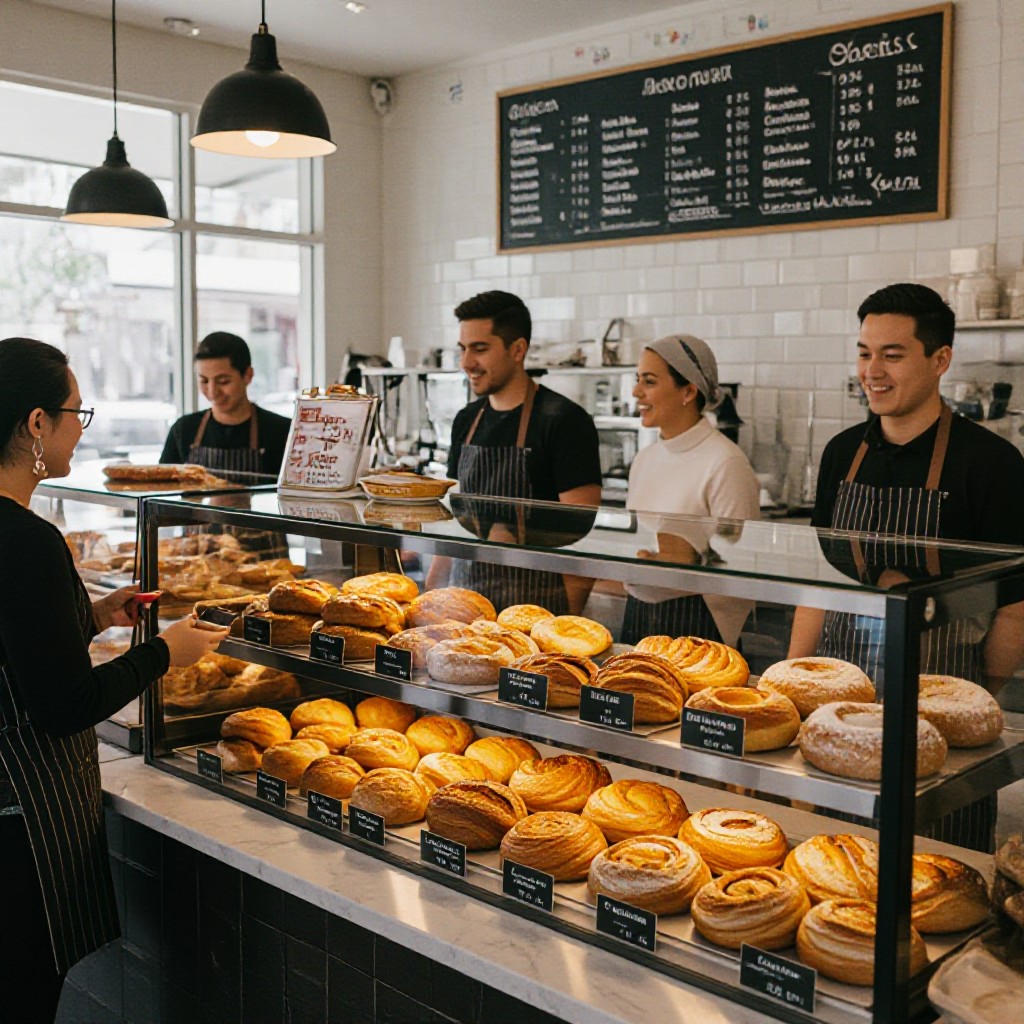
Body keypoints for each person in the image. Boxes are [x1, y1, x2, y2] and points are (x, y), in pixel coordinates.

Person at [0, 337, 231, 1022]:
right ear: (37, 423)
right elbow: (66, 705)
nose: (80, 427)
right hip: (22, 828)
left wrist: (94, 613)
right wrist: (166, 652)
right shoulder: (27, 539)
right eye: (77, 412)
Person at [788, 283, 1024, 851]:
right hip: (836, 706)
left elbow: (1014, 609)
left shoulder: (991, 463)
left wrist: (977, 704)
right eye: (865, 352)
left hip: (944, 710)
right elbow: (821, 581)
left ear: (940, 359)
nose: (874, 370)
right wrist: (792, 687)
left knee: (934, 862)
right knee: (831, 857)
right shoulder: (843, 454)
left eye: (892, 355)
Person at [430, 291, 602, 612]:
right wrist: (432, 589)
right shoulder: (466, 420)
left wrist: (564, 621)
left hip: (537, 609)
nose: (467, 363)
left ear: (518, 349)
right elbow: (453, 520)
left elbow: (584, 541)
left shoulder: (565, 421)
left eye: (480, 349)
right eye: (463, 349)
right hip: (466, 602)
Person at [623, 335, 760, 646]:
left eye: (649, 381)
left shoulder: (726, 462)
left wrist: (676, 566)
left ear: (688, 391)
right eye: (637, 380)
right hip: (637, 614)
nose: (636, 392)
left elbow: (740, 569)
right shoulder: (644, 460)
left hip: (698, 622)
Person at [161, 331, 292, 476]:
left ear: (248, 376)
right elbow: (159, 491)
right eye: (204, 381)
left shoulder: (282, 432)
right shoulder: (183, 430)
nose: (212, 392)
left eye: (223, 381)